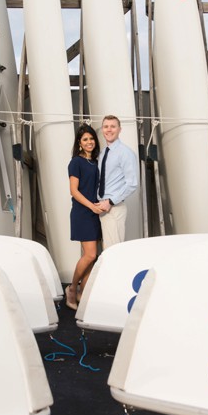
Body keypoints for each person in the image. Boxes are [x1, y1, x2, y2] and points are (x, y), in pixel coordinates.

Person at [66, 124, 104, 310]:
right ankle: (72, 289)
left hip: (96, 212)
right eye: (85, 139)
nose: (89, 142)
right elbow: (74, 191)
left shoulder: (96, 161)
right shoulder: (76, 162)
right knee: (90, 254)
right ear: (79, 144)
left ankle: (84, 292)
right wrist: (91, 206)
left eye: (91, 138)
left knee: (92, 257)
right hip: (83, 212)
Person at [96, 115, 139, 249]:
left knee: (113, 250)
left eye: (113, 126)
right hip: (102, 208)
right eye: (106, 126)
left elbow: (132, 183)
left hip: (113, 208)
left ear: (119, 129)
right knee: (107, 250)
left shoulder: (125, 153)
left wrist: (110, 202)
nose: (109, 130)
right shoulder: (103, 153)